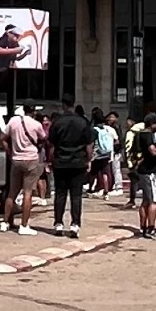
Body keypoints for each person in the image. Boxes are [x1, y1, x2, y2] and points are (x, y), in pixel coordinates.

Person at [48, 101, 94, 238]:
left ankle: (58, 223)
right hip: (78, 162)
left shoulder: (57, 122)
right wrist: (88, 159)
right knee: (76, 195)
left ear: (63, 105)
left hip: (60, 162)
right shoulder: (82, 122)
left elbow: (51, 145)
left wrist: (51, 160)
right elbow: (89, 144)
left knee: (60, 194)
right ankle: (75, 224)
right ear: (73, 104)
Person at [2, 103, 45, 235]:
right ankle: (24, 225)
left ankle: (5, 222)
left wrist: (10, 153)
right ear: (34, 111)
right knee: (27, 193)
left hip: (16, 159)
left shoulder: (13, 121)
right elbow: (43, 138)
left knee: (12, 193)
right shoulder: (36, 124)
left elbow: (3, 138)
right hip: (31, 159)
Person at [133, 117, 156, 237]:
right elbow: (153, 152)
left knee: (146, 200)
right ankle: (151, 229)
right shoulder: (147, 136)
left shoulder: (139, 135)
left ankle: (143, 227)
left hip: (143, 170)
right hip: (150, 171)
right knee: (154, 201)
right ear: (152, 124)